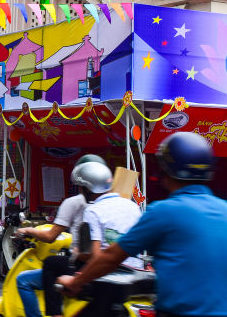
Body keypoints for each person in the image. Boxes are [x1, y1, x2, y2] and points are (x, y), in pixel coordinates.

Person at [58, 132, 227, 317]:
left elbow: (111, 257)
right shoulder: (224, 209)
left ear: (166, 172)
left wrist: (75, 283)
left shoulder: (163, 211)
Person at [40, 161, 140, 317]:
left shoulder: (93, 210)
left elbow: (95, 255)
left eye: (80, 187)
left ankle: (55, 314)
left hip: (108, 273)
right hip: (135, 271)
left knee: (51, 263)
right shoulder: (132, 205)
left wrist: (76, 263)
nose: (80, 191)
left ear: (87, 188)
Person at [15, 155, 107, 317]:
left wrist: (27, 231)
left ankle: (54, 313)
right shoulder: (117, 203)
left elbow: (51, 236)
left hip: (84, 266)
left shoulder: (74, 203)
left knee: (27, 278)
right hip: (110, 267)